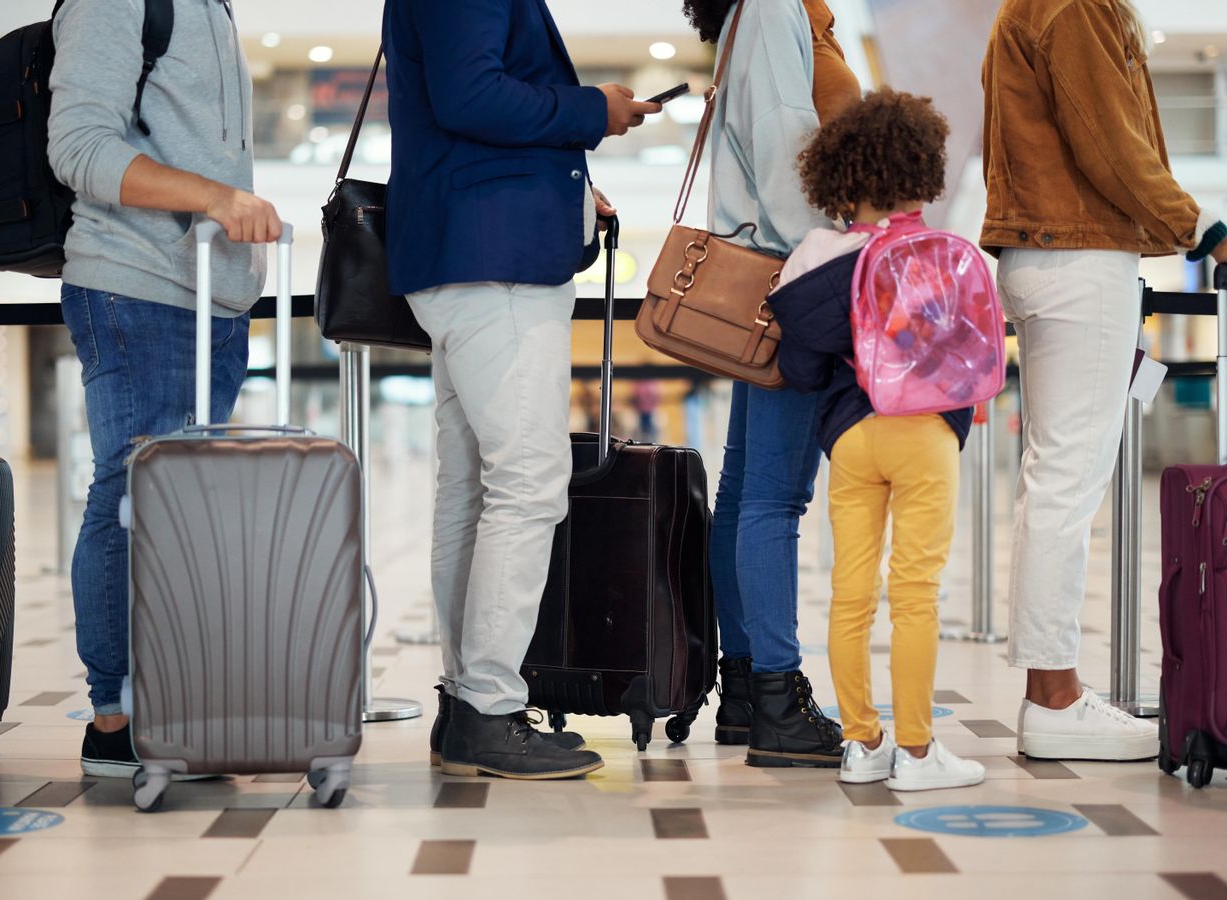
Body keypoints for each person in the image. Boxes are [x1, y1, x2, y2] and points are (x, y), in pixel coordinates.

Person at [982, 0, 1227, 760]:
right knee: (1066, 481)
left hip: (1050, 254)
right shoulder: (1076, 4)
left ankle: (1051, 689)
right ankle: (1053, 698)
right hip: (1077, 258)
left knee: (1053, 478)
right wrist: (1211, 235)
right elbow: (1111, 144)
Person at [386, 0, 658, 780]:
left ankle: (469, 700)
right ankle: (488, 706)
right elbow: (471, 96)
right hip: (491, 262)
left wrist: (568, 190)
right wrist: (590, 111)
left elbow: (467, 104)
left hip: (469, 253)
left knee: (473, 488)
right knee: (529, 482)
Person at [47, 0, 283, 778]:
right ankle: (114, 719)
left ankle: (171, 702)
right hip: (135, 286)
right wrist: (212, 199)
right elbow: (78, 147)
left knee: (175, 508)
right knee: (130, 491)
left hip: (210, 294)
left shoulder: (207, 7)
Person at [775, 89, 985, 791]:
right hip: (925, 436)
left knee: (851, 592)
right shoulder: (938, 254)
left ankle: (862, 746)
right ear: (920, 170)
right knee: (916, 593)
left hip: (852, 439)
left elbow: (798, 368)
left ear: (837, 176)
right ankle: (919, 755)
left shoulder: (814, 254)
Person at [682, 0, 857, 767]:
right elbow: (791, 155)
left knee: (745, 491)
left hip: (775, 271)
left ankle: (749, 689)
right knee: (774, 498)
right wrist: (831, 267)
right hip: (796, 276)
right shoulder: (777, 6)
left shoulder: (766, 10)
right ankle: (778, 696)